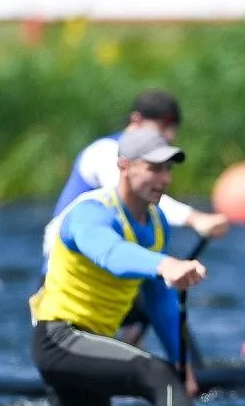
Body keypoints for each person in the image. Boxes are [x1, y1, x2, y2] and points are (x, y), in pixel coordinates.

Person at [30, 127, 209, 406]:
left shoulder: (157, 223)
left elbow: (159, 300)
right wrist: (165, 264)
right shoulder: (91, 212)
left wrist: (182, 361)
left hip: (93, 344)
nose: (165, 179)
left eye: (168, 169)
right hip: (59, 339)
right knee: (155, 373)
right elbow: (110, 254)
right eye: (154, 168)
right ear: (124, 166)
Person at [45, 89, 230, 345]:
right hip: (74, 267)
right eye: (163, 126)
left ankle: (176, 364)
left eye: (173, 128)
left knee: (165, 305)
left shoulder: (150, 166)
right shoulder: (106, 152)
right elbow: (138, 193)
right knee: (151, 301)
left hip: (116, 260)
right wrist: (195, 218)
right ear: (136, 120)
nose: (169, 136)